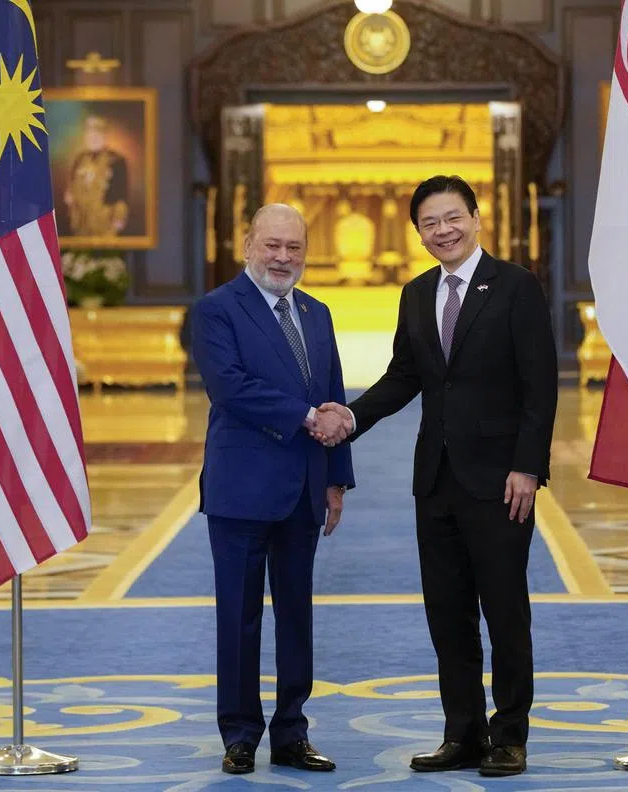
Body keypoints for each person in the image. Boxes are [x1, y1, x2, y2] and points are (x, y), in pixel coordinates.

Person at [317, 175, 558, 777]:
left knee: (504, 611)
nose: (443, 231)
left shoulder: (516, 286)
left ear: (476, 218)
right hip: (436, 480)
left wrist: (528, 466)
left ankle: (510, 736)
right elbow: (405, 376)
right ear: (418, 233)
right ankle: (463, 734)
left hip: (501, 481)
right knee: (448, 615)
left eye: (453, 218)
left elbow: (540, 385)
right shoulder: (417, 292)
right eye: (430, 223)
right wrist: (351, 418)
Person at [190, 203, 355, 775]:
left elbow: (333, 393)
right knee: (239, 617)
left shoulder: (316, 312)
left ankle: (291, 732)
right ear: (248, 245)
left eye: (294, 247)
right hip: (241, 491)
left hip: (304, 489)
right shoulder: (217, 309)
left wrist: (336, 479)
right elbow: (229, 387)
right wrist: (307, 418)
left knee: (296, 616)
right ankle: (239, 735)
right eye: (272, 245)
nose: (283, 258)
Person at [63, 115, 129, 237]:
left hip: (105, 225)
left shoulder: (117, 161)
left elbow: (121, 196)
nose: (93, 137)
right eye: (89, 133)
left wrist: (119, 218)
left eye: (98, 134)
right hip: (81, 225)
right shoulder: (79, 160)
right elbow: (70, 192)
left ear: (105, 136)